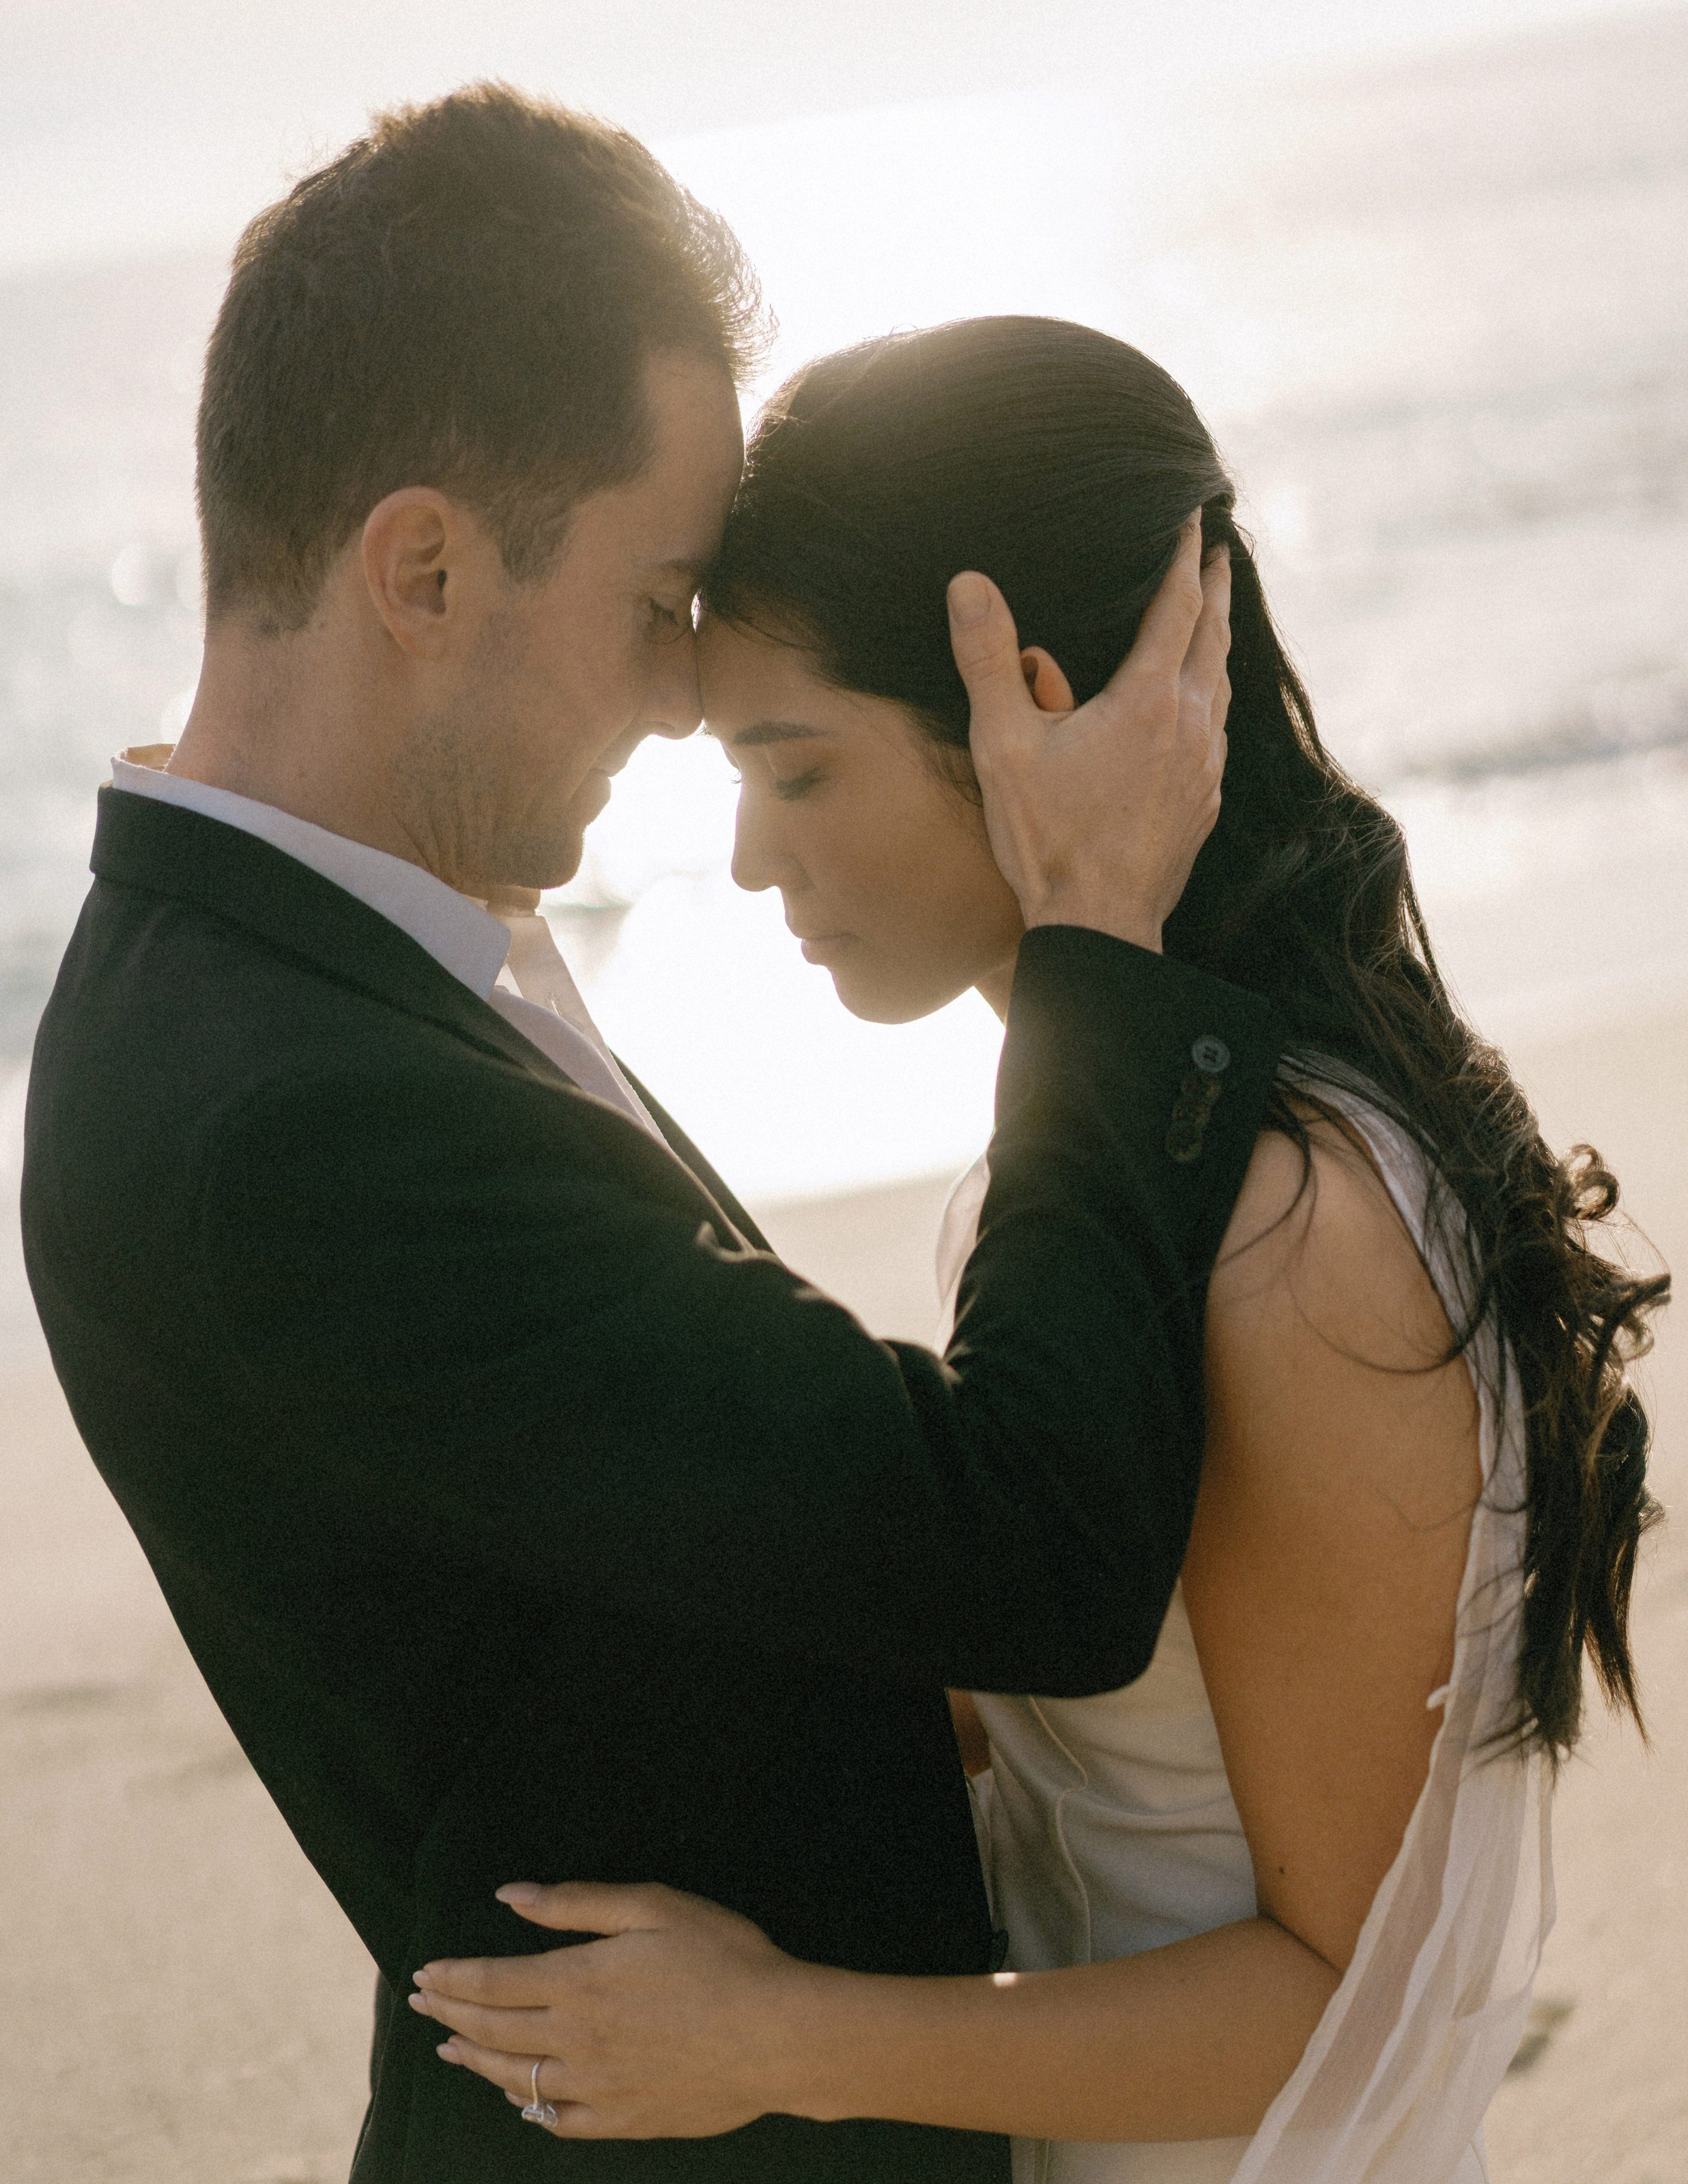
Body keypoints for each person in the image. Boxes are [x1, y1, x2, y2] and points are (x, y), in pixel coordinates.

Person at [20, 100, 1282, 2184]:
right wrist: (1095, 949)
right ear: (426, 571)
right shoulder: (291, 1123)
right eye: (661, 595)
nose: (695, 696)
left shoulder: (326, 962)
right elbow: (1030, 1556)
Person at [406, 318, 1668, 2184]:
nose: (748, 860)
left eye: (798, 772)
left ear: (1039, 723)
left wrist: (778, 2037)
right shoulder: (1097, 1157)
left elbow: (1354, 1999)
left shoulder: (1287, 1229)